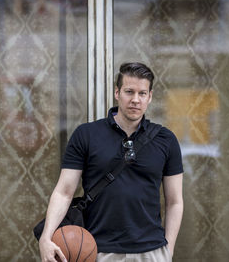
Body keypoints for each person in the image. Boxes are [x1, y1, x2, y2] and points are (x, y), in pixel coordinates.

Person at [39, 62, 184, 262]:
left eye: (142, 93)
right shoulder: (87, 134)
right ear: (117, 93)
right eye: (129, 91)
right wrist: (46, 237)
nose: (135, 99)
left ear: (150, 97)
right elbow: (64, 192)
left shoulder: (165, 140)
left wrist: (168, 249)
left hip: (151, 251)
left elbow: (175, 201)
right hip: (98, 250)